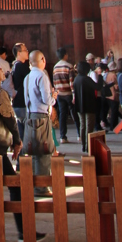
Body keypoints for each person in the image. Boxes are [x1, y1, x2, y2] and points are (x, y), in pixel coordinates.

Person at [0, 58, 47, 242]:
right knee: (14, 185)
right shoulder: (0, 94)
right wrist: (17, 141)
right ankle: (23, 232)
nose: (1, 69)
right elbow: (9, 120)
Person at [22, 49, 53, 196]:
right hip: (41, 116)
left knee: (34, 151)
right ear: (42, 60)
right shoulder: (42, 75)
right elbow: (46, 99)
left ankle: (34, 183)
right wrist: (54, 98)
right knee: (44, 152)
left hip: (30, 115)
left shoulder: (27, 77)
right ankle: (41, 187)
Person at [52, 48, 75, 143]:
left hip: (59, 94)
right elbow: (72, 82)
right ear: (65, 55)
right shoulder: (69, 66)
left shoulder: (55, 67)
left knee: (62, 115)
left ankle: (62, 137)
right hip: (68, 93)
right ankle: (80, 135)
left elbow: (54, 82)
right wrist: (74, 95)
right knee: (74, 114)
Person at [74, 61, 97, 152]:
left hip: (79, 105)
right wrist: (100, 77)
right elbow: (97, 86)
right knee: (89, 126)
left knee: (82, 125)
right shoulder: (87, 79)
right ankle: (88, 146)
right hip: (89, 104)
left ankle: (83, 145)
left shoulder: (76, 79)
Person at [11, 42, 30, 142]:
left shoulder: (14, 65)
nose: (27, 52)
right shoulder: (21, 66)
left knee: (19, 133)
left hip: (17, 101)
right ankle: (22, 156)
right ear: (19, 53)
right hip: (22, 102)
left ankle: (20, 155)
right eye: (25, 50)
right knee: (24, 134)